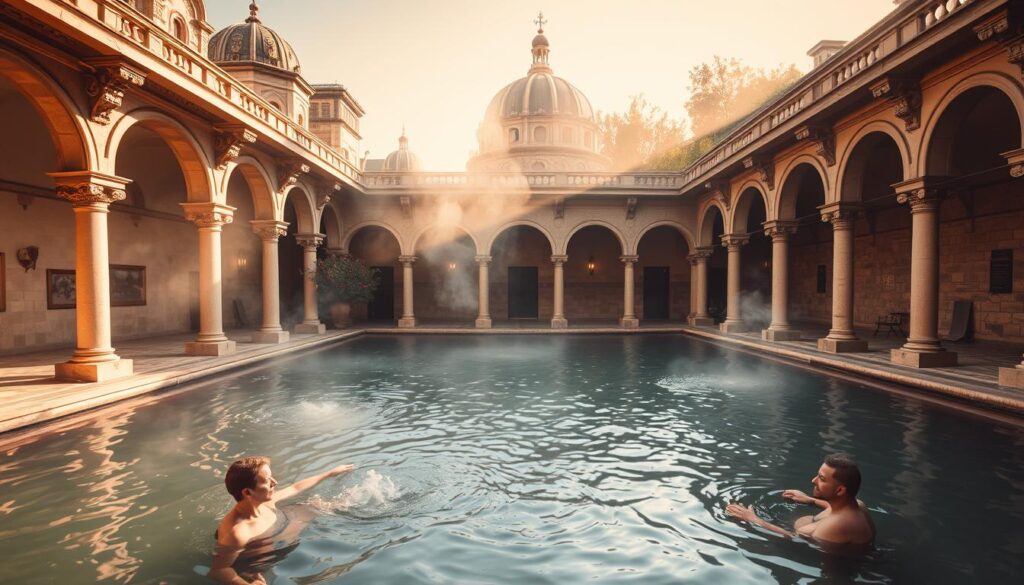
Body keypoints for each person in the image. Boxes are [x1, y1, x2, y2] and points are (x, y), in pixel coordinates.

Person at [209, 456, 355, 585]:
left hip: (277, 531)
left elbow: (295, 488)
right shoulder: (239, 532)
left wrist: (330, 473)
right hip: (256, 560)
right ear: (247, 492)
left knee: (316, 505)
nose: (275, 482)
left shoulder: (264, 502)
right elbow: (218, 571)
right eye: (267, 481)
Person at [726, 453, 875, 548]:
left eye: (821, 479)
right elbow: (833, 507)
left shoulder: (838, 526)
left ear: (840, 490)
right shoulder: (857, 505)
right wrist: (810, 500)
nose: (813, 480)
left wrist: (754, 519)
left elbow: (795, 540)